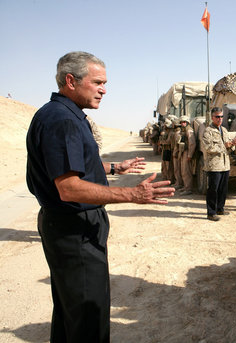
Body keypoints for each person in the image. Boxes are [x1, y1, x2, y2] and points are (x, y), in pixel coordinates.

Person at [26, 51, 175, 343]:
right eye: (97, 82)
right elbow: (68, 187)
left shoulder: (60, 114)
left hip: (68, 228)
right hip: (74, 231)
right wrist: (133, 193)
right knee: (88, 321)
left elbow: (72, 166)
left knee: (71, 314)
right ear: (71, 80)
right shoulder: (62, 120)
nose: (104, 89)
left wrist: (114, 167)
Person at [202, 107, 236, 221]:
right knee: (213, 189)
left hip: (225, 164)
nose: (220, 119)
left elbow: (229, 148)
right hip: (214, 166)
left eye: (221, 116)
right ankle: (211, 212)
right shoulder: (208, 131)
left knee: (223, 189)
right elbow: (208, 147)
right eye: (217, 117)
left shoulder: (224, 130)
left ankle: (220, 208)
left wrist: (233, 144)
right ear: (212, 117)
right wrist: (225, 146)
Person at [176, 115, 196, 195]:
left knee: (186, 171)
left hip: (187, 152)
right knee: (183, 171)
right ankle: (185, 186)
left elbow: (192, 143)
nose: (182, 124)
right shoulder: (184, 130)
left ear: (187, 122)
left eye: (184, 122)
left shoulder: (189, 131)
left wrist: (190, 155)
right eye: (181, 122)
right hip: (183, 152)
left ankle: (188, 188)